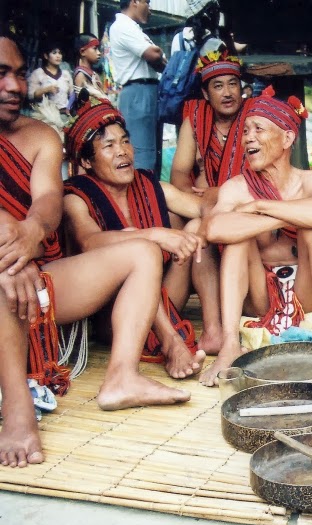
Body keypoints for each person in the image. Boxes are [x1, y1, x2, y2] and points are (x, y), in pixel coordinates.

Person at [0, 32, 189, 468]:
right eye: (1, 75)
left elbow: (47, 199)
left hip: (44, 280)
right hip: (10, 271)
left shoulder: (40, 136)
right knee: (7, 274)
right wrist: (13, 252)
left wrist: (32, 232)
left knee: (143, 251)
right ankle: (17, 408)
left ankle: (122, 376)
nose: (14, 86)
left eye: (16, 74)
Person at [199, 91, 312, 385]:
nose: (248, 138)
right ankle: (230, 344)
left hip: (306, 292)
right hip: (259, 296)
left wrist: (260, 207)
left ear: (286, 139)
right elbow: (214, 229)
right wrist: (286, 215)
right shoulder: (236, 187)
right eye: (245, 131)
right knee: (237, 237)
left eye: (259, 129)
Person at [62, 98, 214, 377]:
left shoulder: (150, 184)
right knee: (140, 248)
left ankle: (216, 331)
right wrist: (156, 235)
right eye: (109, 146)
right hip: (113, 313)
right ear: (86, 160)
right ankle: (170, 342)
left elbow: (203, 208)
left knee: (194, 228)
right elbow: (89, 242)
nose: (122, 152)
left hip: (166, 298)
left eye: (125, 141)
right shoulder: (76, 196)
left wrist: (237, 203)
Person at [171, 50, 249, 210]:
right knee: (165, 193)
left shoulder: (254, 118)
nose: (227, 93)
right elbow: (179, 171)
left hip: (243, 202)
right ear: (206, 93)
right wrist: (191, 194)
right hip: (201, 203)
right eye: (218, 86)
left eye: (233, 84)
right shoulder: (196, 119)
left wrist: (222, 195)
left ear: (241, 89)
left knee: (194, 226)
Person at [109, 0, 166, 171]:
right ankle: (142, 195)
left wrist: (157, 56)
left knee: (153, 152)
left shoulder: (133, 28)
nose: (150, 9)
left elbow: (159, 62)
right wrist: (157, 53)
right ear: (134, 1)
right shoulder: (122, 26)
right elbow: (154, 55)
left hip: (147, 90)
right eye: (147, 2)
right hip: (138, 92)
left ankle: (150, 193)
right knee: (143, 154)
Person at [26, 40, 73, 138]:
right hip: (46, 117)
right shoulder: (38, 73)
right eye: (54, 53)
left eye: (60, 53)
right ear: (46, 56)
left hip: (65, 116)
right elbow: (30, 95)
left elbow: (72, 94)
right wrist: (45, 90)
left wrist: (70, 107)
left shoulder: (66, 74)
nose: (58, 56)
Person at [72, 33, 108, 100]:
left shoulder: (93, 73)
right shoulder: (80, 74)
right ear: (82, 52)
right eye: (95, 49)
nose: (99, 53)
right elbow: (81, 102)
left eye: (98, 49)